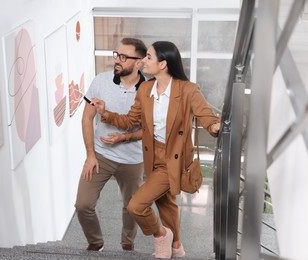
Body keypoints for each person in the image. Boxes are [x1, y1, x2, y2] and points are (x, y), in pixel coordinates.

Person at [92, 41, 221, 259]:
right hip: (152, 156)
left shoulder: (188, 90)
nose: (143, 61)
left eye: (149, 57)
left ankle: (161, 235)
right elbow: (130, 121)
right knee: (166, 204)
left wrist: (215, 126)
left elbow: (206, 115)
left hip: (173, 157)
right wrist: (105, 113)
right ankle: (176, 247)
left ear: (163, 64)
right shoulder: (145, 89)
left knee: (136, 205)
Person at [74, 38, 147, 252]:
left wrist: (124, 138)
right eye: (117, 55)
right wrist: (90, 155)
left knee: (132, 208)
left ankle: (127, 244)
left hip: (133, 160)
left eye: (124, 57)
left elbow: (149, 130)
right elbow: (86, 118)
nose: (117, 60)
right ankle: (95, 243)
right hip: (101, 155)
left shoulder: (149, 90)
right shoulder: (101, 81)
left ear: (139, 62)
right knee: (83, 205)